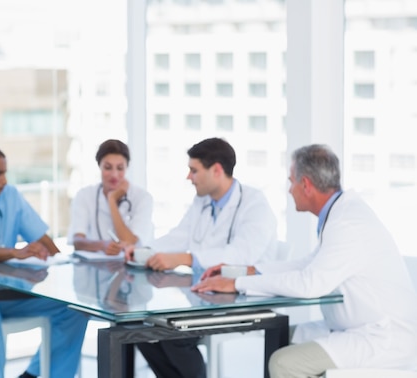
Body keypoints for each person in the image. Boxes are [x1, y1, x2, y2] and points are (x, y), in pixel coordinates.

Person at [192, 144, 417, 377]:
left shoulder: (347, 223)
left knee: (284, 363)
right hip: (355, 328)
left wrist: (237, 285)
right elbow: (308, 264)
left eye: (291, 182)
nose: (290, 190)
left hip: (381, 338)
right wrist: (245, 271)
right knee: (280, 338)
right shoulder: (340, 214)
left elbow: (309, 283)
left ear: (306, 185)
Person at [126, 137, 278, 378]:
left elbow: (241, 255)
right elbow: (180, 235)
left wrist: (185, 259)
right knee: (141, 328)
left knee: (176, 335)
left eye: (194, 170)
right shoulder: (203, 201)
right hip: (203, 294)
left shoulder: (254, 204)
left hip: (239, 298)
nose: (189, 177)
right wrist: (144, 250)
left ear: (216, 170)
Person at [0, 143, 88, 378]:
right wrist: (15, 252)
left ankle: (33, 375)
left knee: (74, 309)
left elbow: (44, 241)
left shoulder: (9, 196)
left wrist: (60, 264)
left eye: (5, 174)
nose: (4, 180)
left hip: (7, 291)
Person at [68, 139, 154, 254]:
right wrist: (101, 245)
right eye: (108, 168)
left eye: (120, 168)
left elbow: (129, 241)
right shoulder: (84, 195)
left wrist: (112, 201)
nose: (114, 175)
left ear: (127, 168)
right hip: (94, 266)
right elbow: (77, 241)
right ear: (100, 167)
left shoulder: (143, 198)